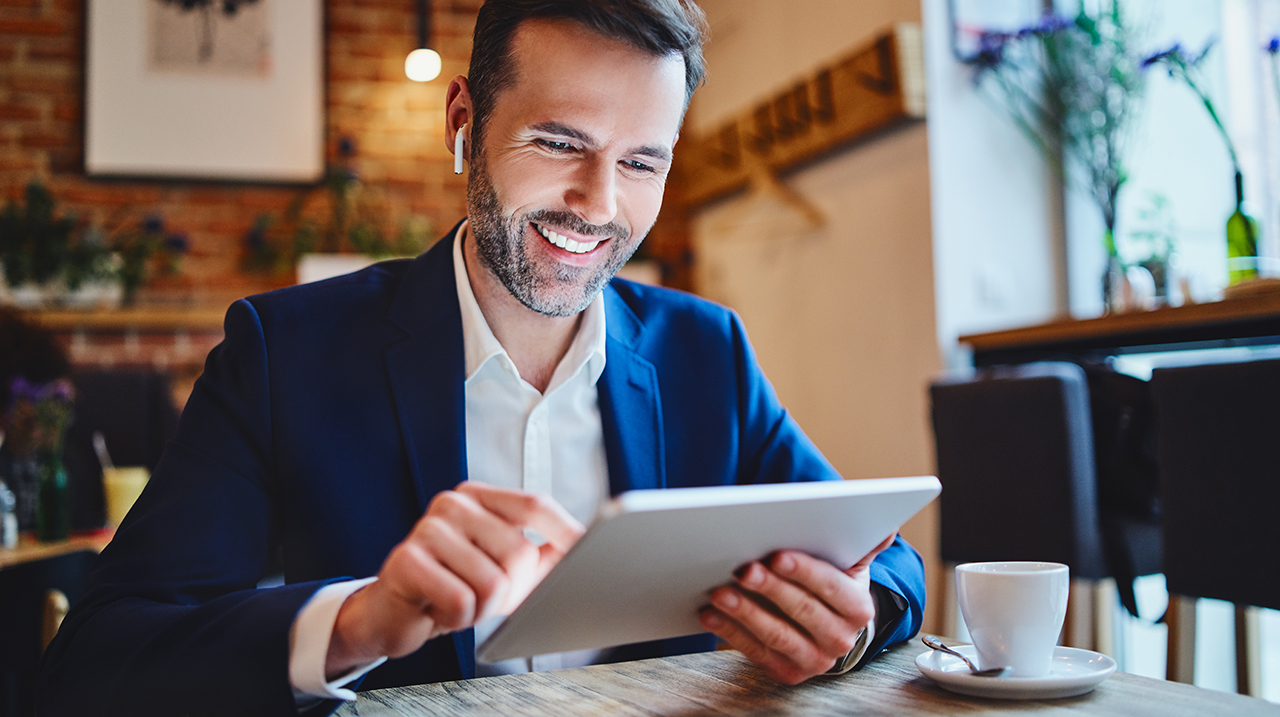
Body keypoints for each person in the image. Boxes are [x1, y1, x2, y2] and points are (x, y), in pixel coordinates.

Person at [37, 1, 926, 715]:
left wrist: (850, 622)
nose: (598, 205)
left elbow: (880, 558)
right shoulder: (286, 352)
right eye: (559, 143)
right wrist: (355, 621)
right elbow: (97, 660)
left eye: (643, 162)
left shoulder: (707, 349)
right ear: (464, 119)